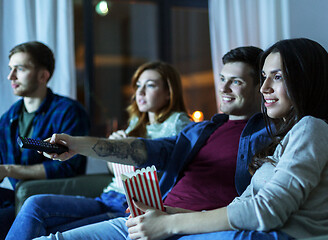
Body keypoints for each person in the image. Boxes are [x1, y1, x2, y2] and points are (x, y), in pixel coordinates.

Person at [15, 45, 273, 240]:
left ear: (259, 87)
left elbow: (262, 207)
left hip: (192, 226)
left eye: (236, 82)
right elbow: (145, 149)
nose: (224, 89)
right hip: (149, 217)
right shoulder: (201, 130)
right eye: (222, 79)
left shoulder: (271, 134)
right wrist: (75, 144)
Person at [119, 38, 328, 240]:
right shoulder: (287, 136)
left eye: (277, 77)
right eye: (264, 77)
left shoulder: (312, 128)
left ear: (305, 80)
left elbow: (267, 211)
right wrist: (170, 212)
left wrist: (169, 224)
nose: (265, 88)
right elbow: (243, 204)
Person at [6, 61, 192, 239]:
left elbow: (178, 171)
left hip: (132, 205)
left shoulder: (179, 123)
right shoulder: (136, 124)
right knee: (35, 203)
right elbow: (114, 171)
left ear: (169, 92)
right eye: (138, 85)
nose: (140, 92)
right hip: (109, 196)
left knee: (53, 231)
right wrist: (115, 151)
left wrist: (124, 149)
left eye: (150, 86)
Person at [0, 41, 90, 238]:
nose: (10, 77)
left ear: (43, 75)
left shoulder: (68, 111)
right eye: (10, 69)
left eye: (20, 69)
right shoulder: (8, 119)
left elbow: (68, 167)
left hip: (53, 198)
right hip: (16, 197)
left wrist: (8, 170)